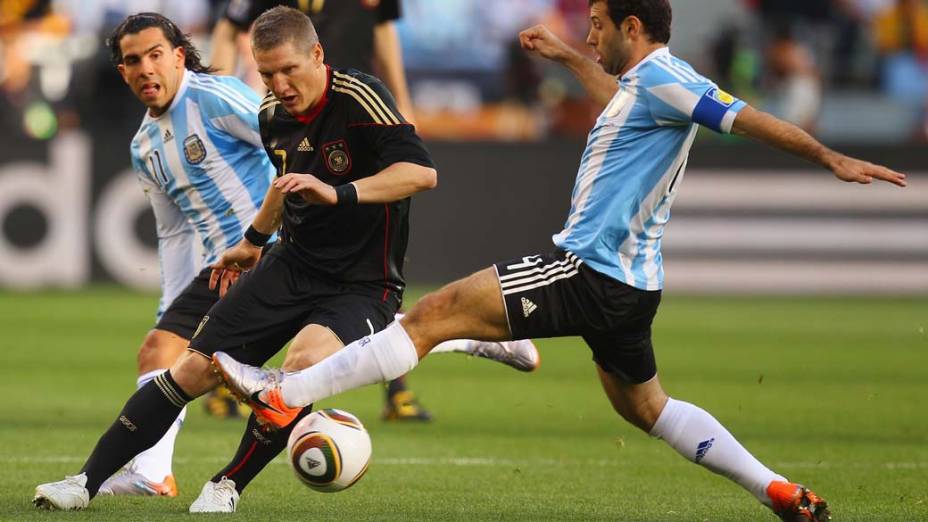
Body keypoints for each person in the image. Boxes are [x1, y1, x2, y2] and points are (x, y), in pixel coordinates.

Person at [212, 1, 906, 520]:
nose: (591, 33)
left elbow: (741, 114)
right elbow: (627, 101)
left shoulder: (670, 78)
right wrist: (571, 61)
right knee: (650, 409)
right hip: (633, 288)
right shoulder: (646, 87)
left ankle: (285, 392)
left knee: (432, 313)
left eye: (598, 25)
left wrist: (828, 156)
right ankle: (774, 489)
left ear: (633, 27)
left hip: (588, 269)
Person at [32, 10, 537, 511]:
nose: (278, 84)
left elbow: (421, 173)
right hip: (290, 264)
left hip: (364, 282)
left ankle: (226, 484)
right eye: (268, 73)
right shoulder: (271, 113)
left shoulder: (359, 97)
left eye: (288, 70)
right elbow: (283, 184)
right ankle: (84, 482)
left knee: (302, 366)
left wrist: (339, 194)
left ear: (317, 55)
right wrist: (253, 241)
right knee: (190, 370)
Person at [207, 0, 424, 421]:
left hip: (355, 109)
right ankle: (230, 375)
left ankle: (398, 385)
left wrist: (402, 101)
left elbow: (384, 33)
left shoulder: (361, 90)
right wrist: (227, 90)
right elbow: (229, 28)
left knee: (372, 261)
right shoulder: (273, 99)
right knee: (291, 243)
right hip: (298, 113)